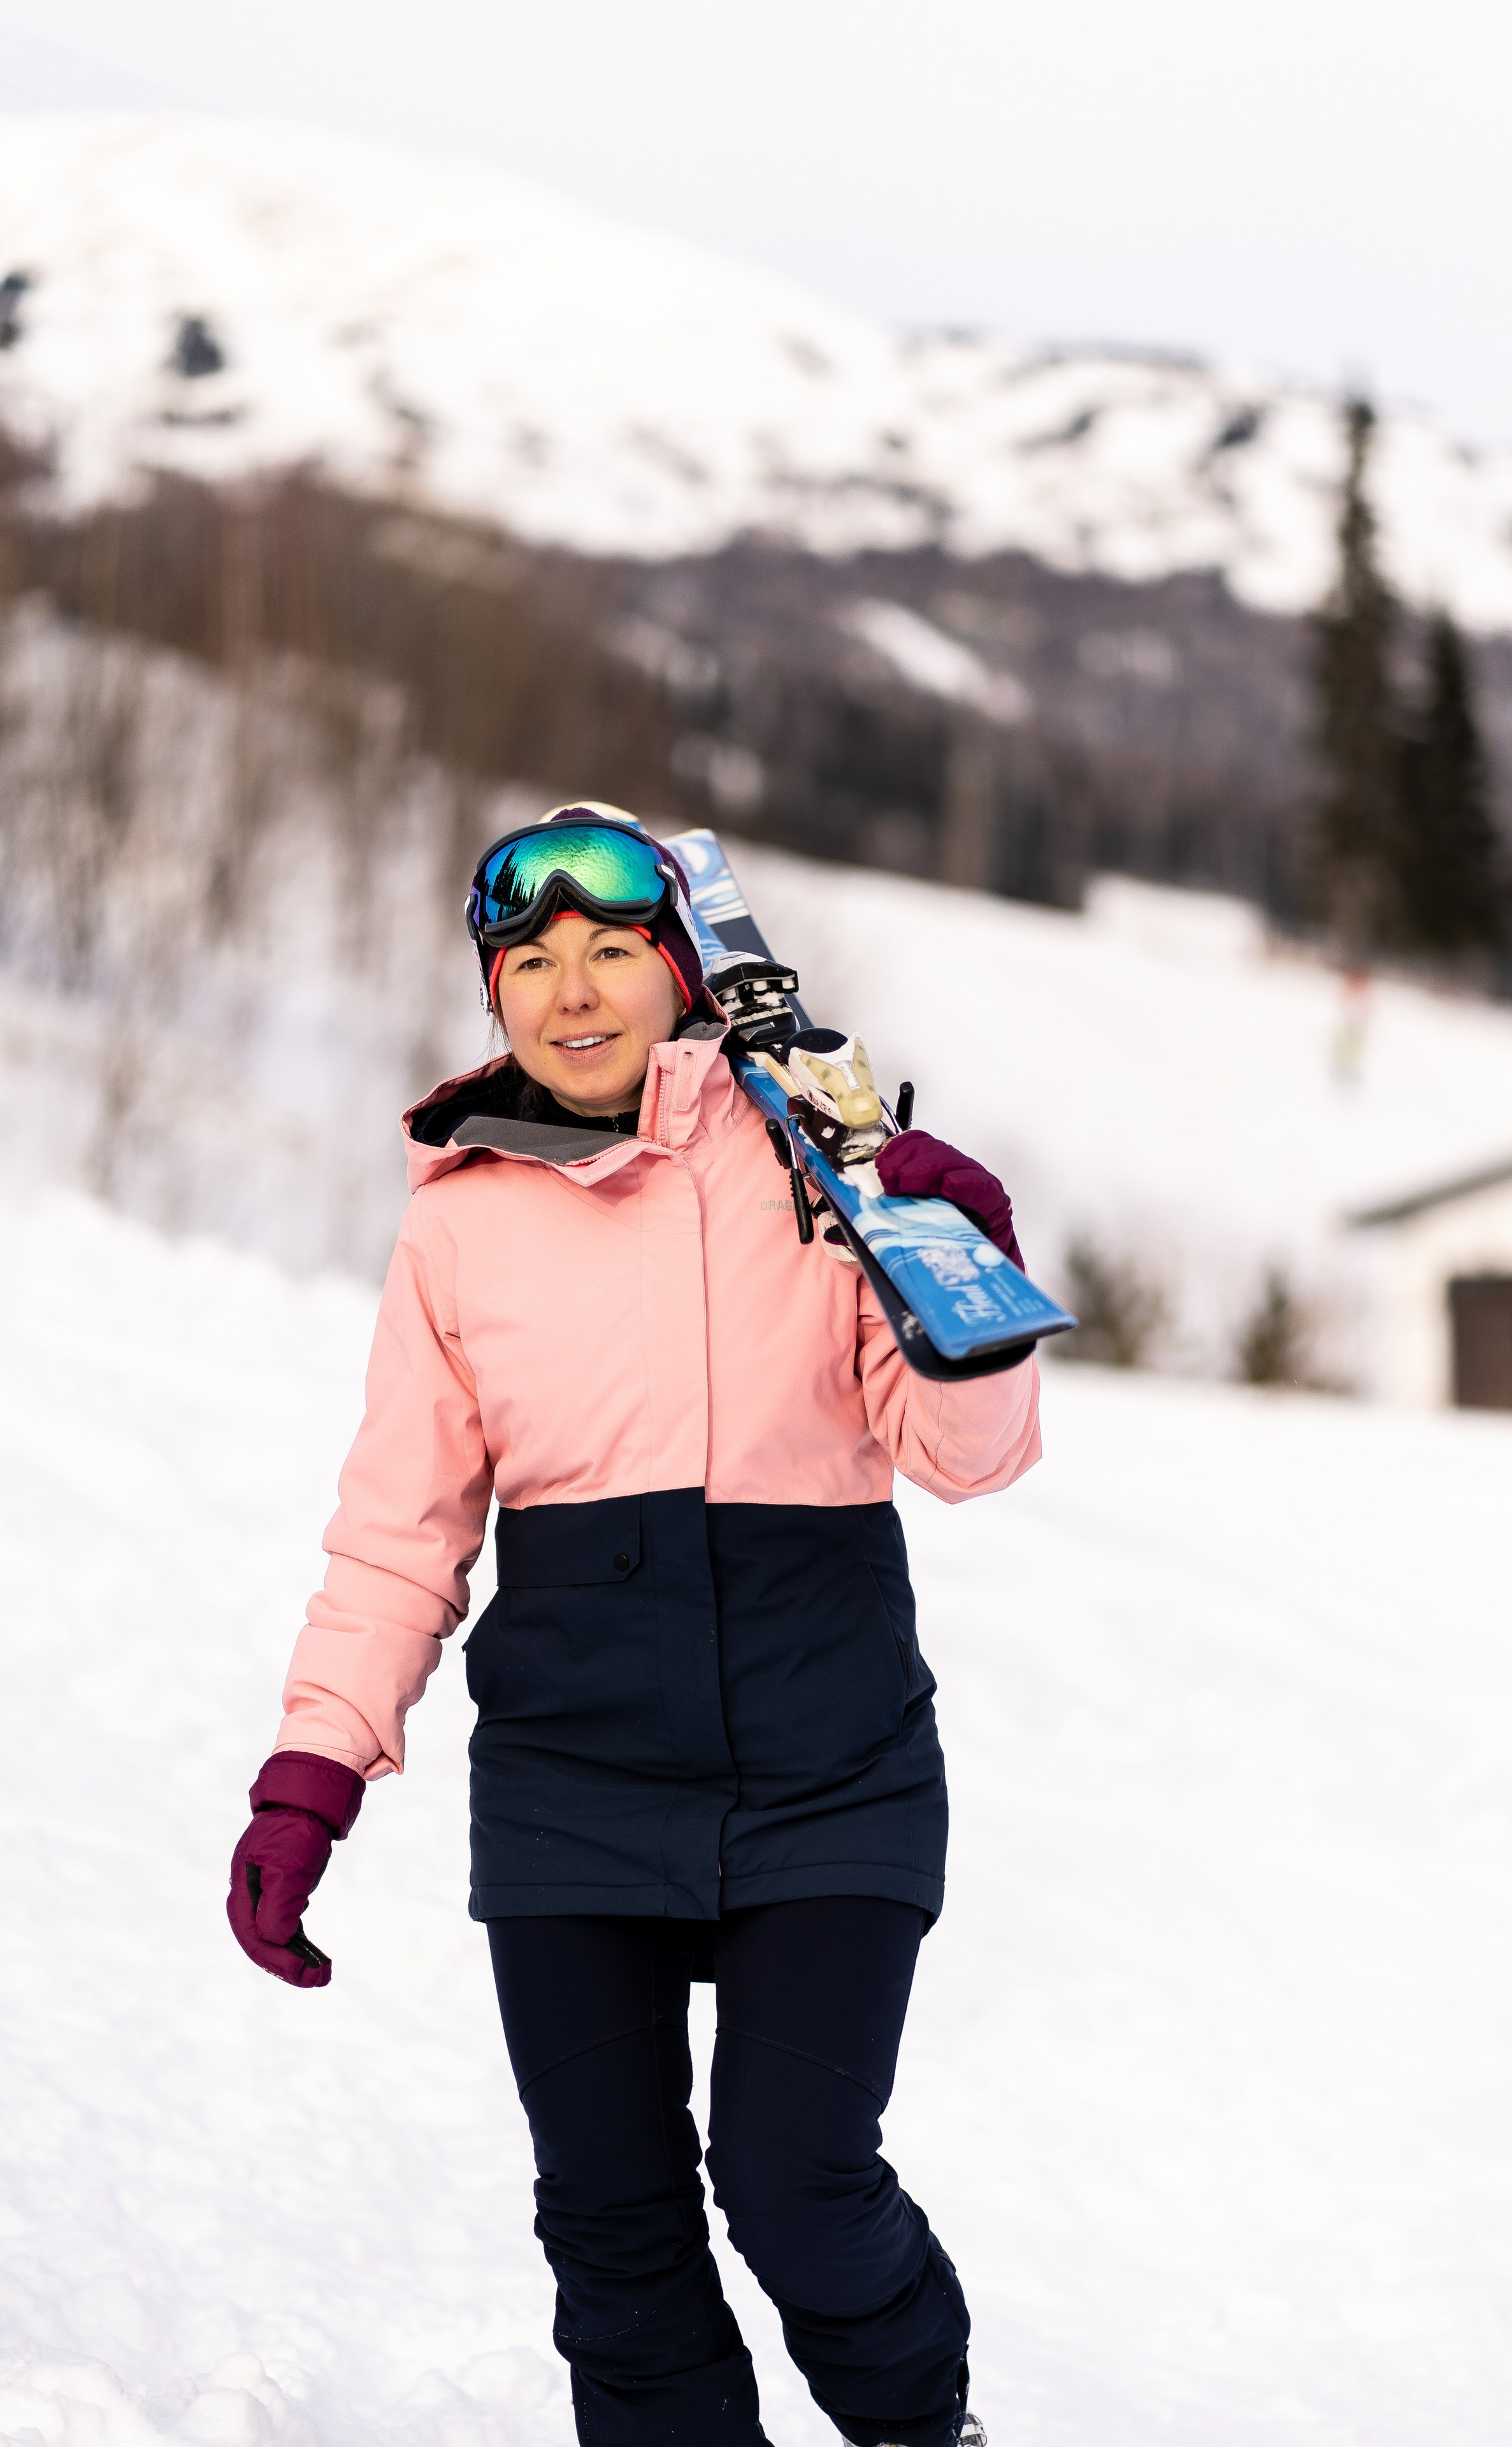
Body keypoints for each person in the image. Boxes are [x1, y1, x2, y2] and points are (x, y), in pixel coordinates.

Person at [227, 804, 1041, 2447]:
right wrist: (311, 1771)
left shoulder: (820, 1160)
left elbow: (970, 1459)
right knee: (611, 2218)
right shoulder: (457, 1220)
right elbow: (403, 1529)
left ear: (679, 973)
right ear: (495, 993)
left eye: (612, 950)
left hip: (832, 1774)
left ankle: (918, 2430)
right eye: (531, 960)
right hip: (573, 1794)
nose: (573, 989)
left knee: (796, 2181)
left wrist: (950, 1255)